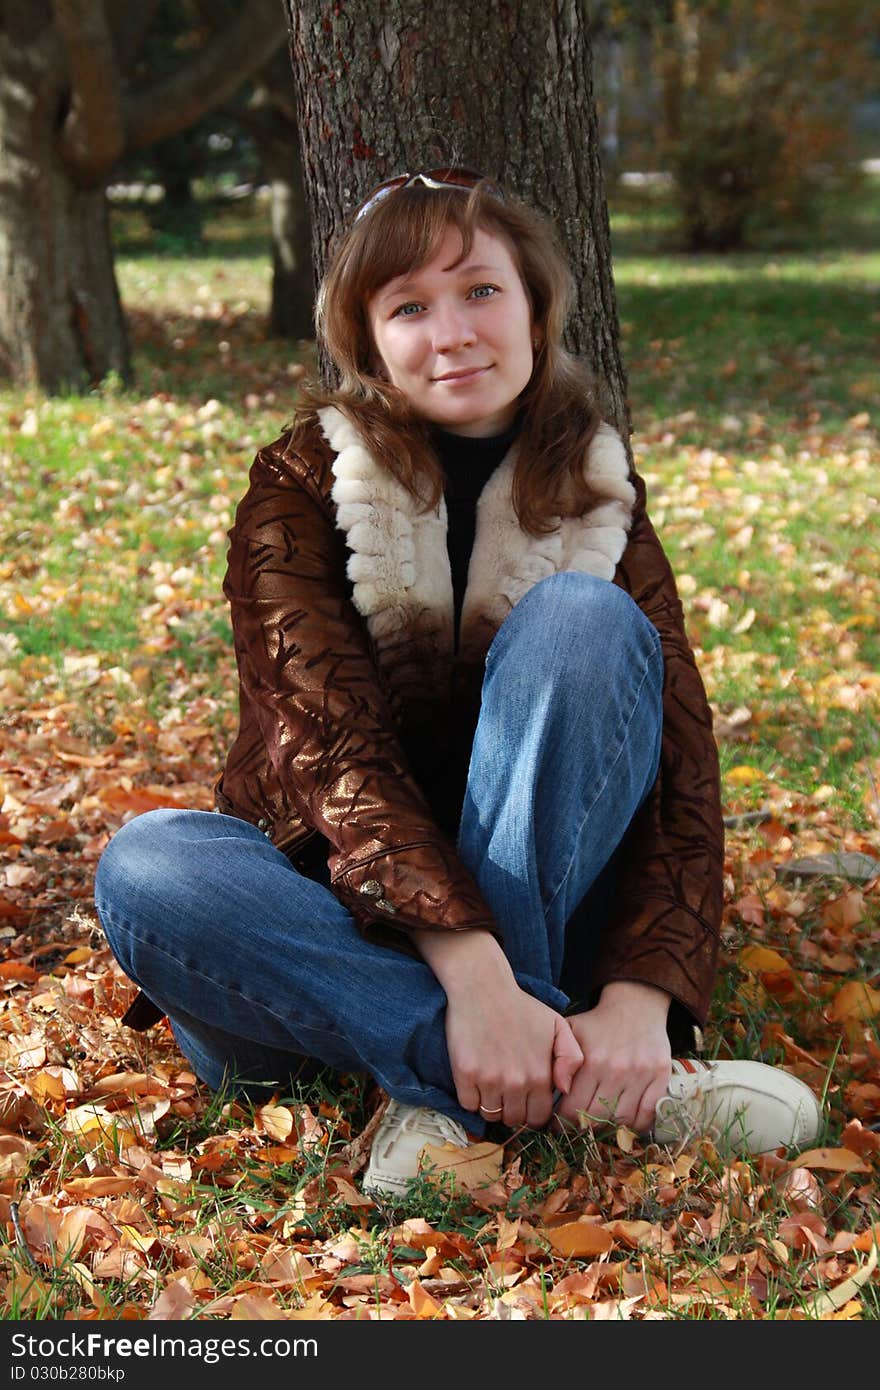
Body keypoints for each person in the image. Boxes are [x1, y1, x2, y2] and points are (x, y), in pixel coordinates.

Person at [94, 168, 821, 1197]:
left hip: (553, 916)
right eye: (408, 307)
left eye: (480, 290)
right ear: (367, 339)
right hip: (315, 944)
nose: (452, 332)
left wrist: (637, 999)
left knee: (580, 619)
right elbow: (328, 748)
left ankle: (447, 1094)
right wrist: (473, 979)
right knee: (147, 865)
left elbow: (678, 770)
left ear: (535, 303)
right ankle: (564, 1077)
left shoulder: (595, 486)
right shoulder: (299, 484)